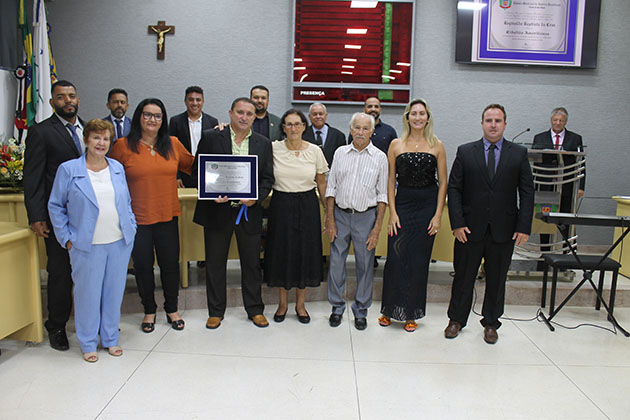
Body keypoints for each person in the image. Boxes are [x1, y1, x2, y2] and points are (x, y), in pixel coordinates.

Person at [445, 104, 534, 344]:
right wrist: (457, 224)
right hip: (468, 229)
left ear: (505, 124)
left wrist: (523, 226)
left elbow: (527, 192)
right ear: (482, 123)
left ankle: (492, 323)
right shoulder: (465, 152)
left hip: (504, 230)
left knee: (497, 279)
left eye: (498, 120)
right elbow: (454, 189)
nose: (493, 125)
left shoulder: (518, 154)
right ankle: (456, 320)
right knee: (463, 277)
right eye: (489, 120)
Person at [48, 119, 136, 362]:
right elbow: (55, 206)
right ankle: (87, 342)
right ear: (86, 140)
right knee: (87, 295)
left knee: (113, 294)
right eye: (96, 137)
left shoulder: (116, 168)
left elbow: (126, 202)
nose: (101, 143)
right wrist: (67, 239)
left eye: (106, 138)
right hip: (85, 245)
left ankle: (110, 338)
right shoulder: (69, 170)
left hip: (119, 242)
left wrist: (131, 227)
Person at [109, 98, 193, 333]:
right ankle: (149, 310)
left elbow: (195, 166)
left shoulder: (173, 144)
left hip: (167, 216)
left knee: (170, 266)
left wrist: (217, 137)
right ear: (139, 117)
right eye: (147, 114)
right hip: (137, 220)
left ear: (163, 120)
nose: (152, 119)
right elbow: (109, 178)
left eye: (157, 116)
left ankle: (172, 309)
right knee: (143, 267)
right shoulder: (122, 146)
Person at [193, 97, 274, 329]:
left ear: (254, 117)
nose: (244, 117)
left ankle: (255, 309)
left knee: (251, 264)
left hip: (249, 212)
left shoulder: (263, 143)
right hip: (217, 211)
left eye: (249, 114)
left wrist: (256, 197)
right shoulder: (211, 137)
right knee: (215, 263)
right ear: (230, 113)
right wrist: (210, 192)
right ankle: (215, 311)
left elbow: (267, 179)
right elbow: (198, 170)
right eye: (240, 112)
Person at [24, 80, 86, 351]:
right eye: (61, 97)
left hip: (87, 217)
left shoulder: (89, 129)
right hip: (58, 217)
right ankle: (57, 326)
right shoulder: (41, 132)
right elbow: (33, 176)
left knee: (88, 272)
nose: (67, 101)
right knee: (60, 272)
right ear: (52, 103)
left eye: (71, 96)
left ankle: (89, 321)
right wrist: (36, 215)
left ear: (78, 100)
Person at [379, 99, 447, 332]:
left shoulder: (437, 145)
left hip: (427, 206)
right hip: (403, 205)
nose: (418, 117)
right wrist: (392, 213)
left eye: (422, 113)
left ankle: (411, 313)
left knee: (419, 261)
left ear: (428, 118)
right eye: (414, 113)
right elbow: (390, 181)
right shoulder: (396, 144)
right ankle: (389, 310)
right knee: (396, 258)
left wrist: (437, 215)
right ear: (407, 117)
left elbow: (443, 182)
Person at [324, 112, 388, 330]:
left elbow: (382, 195)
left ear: (372, 131)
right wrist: (330, 219)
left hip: (366, 217)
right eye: (357, 128)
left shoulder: (380, 157)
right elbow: (331, 188)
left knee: (365, 265)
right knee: (336, 263)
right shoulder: (340, 153)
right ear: (351, 129)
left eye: (365, 128)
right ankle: (337, 307)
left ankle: (361, 310)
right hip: (340, 215)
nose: (360, 132)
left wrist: (377, 228)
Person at [264, 109, 328, 324]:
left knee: (304, 253)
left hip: (307, 205)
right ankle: (282, 304)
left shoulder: (315, 151)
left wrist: (328, 212)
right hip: (281, 205)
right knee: (281, 252)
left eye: (297, 124)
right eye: (289, 124)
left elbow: (321, 182)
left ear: (304, 126)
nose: (293, 128)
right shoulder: (272, 148)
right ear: (283, 127)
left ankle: (301, 305)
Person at [532, 107, 585, 259]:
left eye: (561, 120)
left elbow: (582, 163)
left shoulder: (575, 138)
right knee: (545, 221)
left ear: (565, 122)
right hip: (546, 186)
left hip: (567, 187)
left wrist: (581, 186)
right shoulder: (539, 138)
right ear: (551, 121)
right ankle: (545, 253)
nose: (557, 123)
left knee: (566, 221)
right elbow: (535, 160)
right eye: (555, 120)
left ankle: (567, 254)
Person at [169, 86, 219, 188]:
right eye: (191, 99)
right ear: (185, 101)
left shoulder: (212, 122)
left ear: (203, 102)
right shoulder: (175, 121)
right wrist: (176, 176)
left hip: (206, 173)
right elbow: (171, 151)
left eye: (198, 100)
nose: (195, 103)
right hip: (183, 175)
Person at [303, 102, 347, 166]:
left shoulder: (339, 136)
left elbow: (342, 159)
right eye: (315, 114)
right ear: (309, 116)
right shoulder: (302, 135)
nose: (318, 116)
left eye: (321, 114)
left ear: (326, 115)